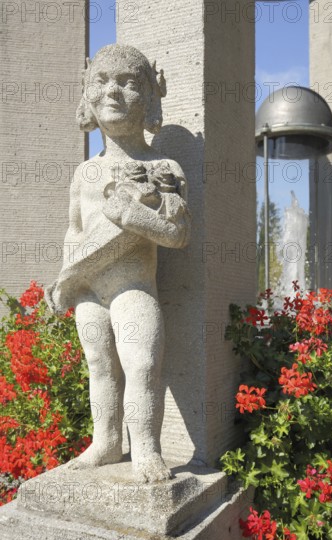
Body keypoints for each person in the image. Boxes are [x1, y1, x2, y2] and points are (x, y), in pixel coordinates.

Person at [45, 44, 191, 483]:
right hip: (89, 287)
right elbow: (74, 231)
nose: (114, 92)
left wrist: (133, 215)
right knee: (100, 367)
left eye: (128, 83)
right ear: (88, 95)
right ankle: (106, 443)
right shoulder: (85, 173)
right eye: (103, 81)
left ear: (148, 97)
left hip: (134, 286)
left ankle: (146, 448)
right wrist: (66, 278)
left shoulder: (164, 167)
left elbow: (178, 234)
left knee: (142, 363)